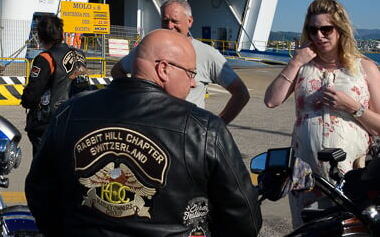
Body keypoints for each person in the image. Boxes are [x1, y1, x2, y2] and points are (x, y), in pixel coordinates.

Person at [26, 29, 261, 236]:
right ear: (164, 69)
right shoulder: (204, 129)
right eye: (191, 73)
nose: (193, 83)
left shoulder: (70, 112)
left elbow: (39, 192)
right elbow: (244, 219)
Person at [264, 0, 380, 226]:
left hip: (350, 174)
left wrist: (353, 107)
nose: (319, 36)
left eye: (326, 29)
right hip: (306, 174)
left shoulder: (364, 68)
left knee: (349, 228)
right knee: (307, 229)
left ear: (340, 30)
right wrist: (295, 62)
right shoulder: (303, 67)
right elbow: (271, 101)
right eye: (313, 30)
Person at [110, 0, 250, 124]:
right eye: (165, 21)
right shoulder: (149, 47)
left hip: (186, 134)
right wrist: (131, 99)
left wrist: (216, 126)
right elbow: (117, 71)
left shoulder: (207, 54)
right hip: (149, 130)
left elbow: (241, 93)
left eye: (175, 21)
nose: (170, 26)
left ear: (189, 21)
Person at [21, 14, 90, 155]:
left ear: (41, 36)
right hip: (76, 119)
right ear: (61, 33)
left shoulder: (46, 58)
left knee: (42, 166)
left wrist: (26, 99)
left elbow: (31, 96)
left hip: (49, 123)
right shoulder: (79, 55)